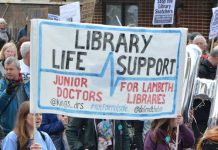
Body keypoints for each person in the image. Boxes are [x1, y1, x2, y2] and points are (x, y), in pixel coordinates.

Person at [191, 46, 218, 141]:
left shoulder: (214, 68)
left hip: (211, 110)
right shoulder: (201, 69)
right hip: (201, 109)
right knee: (200, 137)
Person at [0, 57, 29, 135]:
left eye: (11, 69)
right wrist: (7, 92)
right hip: (7, 131)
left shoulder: (26, 83)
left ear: (19, 69)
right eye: (6, 69)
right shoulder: (2, 83)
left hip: (25, 129)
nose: (8, 72)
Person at [66, 117, 130, 150]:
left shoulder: (117, 107)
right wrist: (79, 148)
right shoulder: (87, 106)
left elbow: (125, 135)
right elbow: (70, 131)